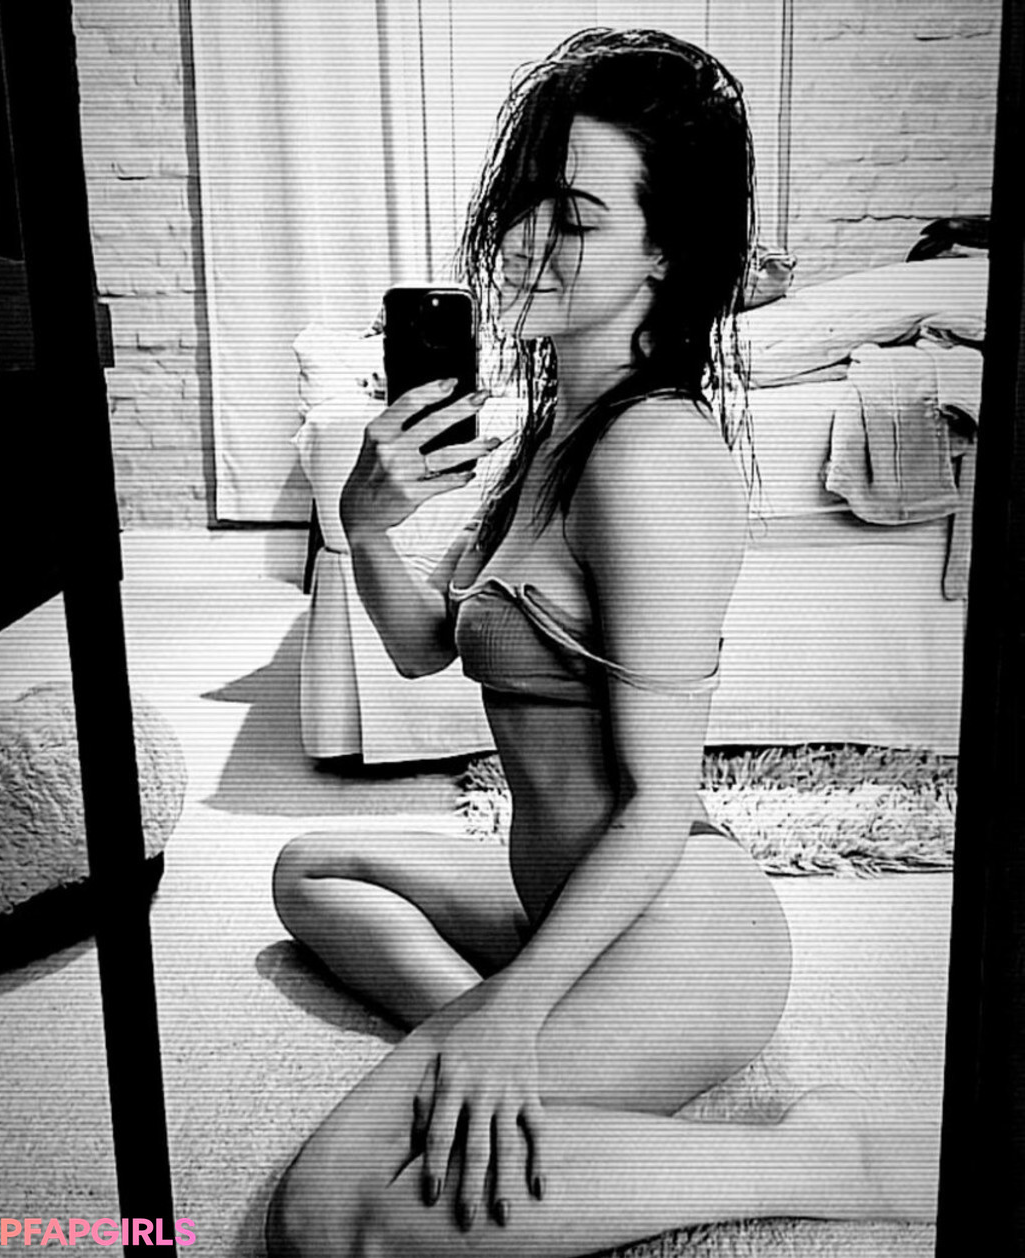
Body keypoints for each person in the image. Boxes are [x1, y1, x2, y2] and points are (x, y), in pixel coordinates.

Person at [267, 28, 938, 1257]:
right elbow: (423, 648)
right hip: (565, 900)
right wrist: (363, 527)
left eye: (575, 217)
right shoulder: (550, 434)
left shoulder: (653, 457)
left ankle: (819, 1156)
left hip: (684, 925)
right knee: (310, 867)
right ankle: (523, 1056)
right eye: (526, 199)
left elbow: (660, 801)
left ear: (663, 254)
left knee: (332, 1216)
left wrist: (513, 1014)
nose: (526, 240)